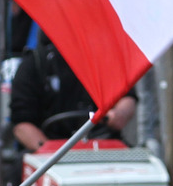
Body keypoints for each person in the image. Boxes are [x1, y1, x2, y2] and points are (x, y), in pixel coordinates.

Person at [8, 36, 138, 149]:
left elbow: (126, 96)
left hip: (104, 145)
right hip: (51, 150)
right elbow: (22, 124)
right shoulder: (33, 64)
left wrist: (119, 114)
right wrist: (50, 153)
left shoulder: (104, 59)